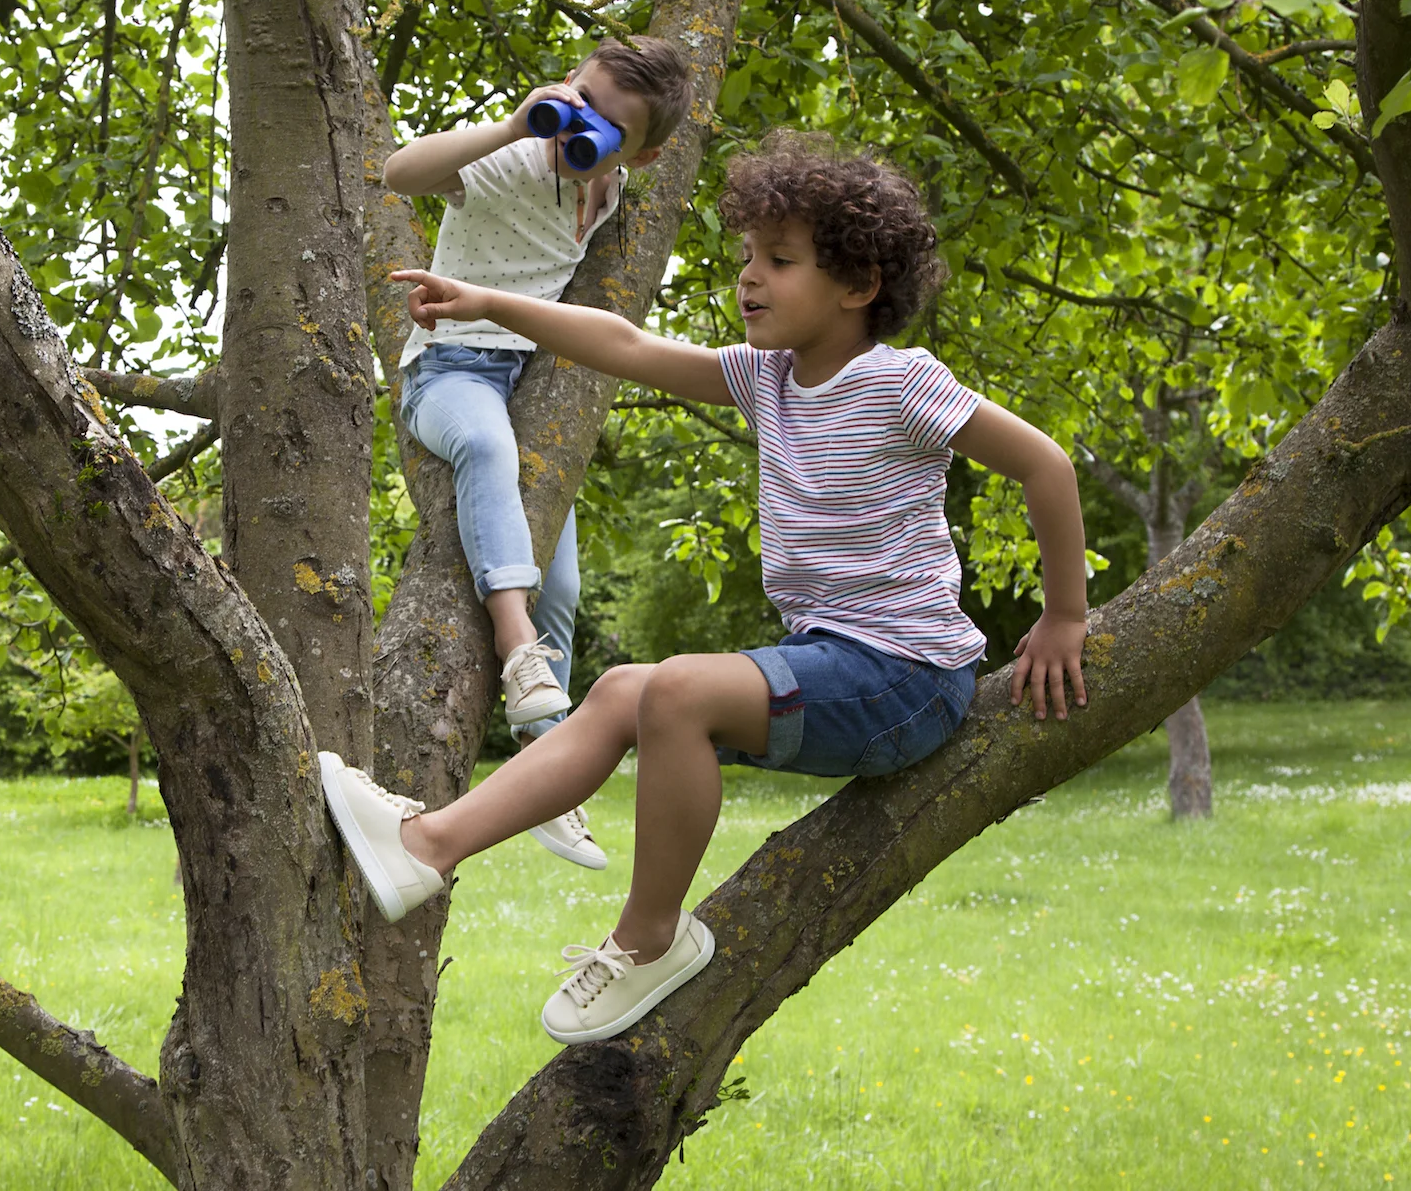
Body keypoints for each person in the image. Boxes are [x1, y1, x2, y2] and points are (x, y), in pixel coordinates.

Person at [323, 132, 1090, 1045]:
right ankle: (425, 848)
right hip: (830, 658)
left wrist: (1064, 612)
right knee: (619, 691)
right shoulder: (766, 378)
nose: (748, 278)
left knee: (678, 689)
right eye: (745, 258)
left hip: (909, 674)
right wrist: (492, 303)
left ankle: (650, 939)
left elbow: (1045, 464)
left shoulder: (899, 382)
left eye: (779, 260)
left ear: (858, 285)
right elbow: (627, 344)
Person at [382, 35, 694, 869]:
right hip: (448, 372)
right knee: (484, 448)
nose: (579, 127)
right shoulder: (519, 157)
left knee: (563, 581)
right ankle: (517, 650)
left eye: (608, 126)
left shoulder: (615, 189)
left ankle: (547, 769)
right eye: (579, 99)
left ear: (645, 153)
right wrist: (512, 124)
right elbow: (400, 172)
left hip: (522, 385)